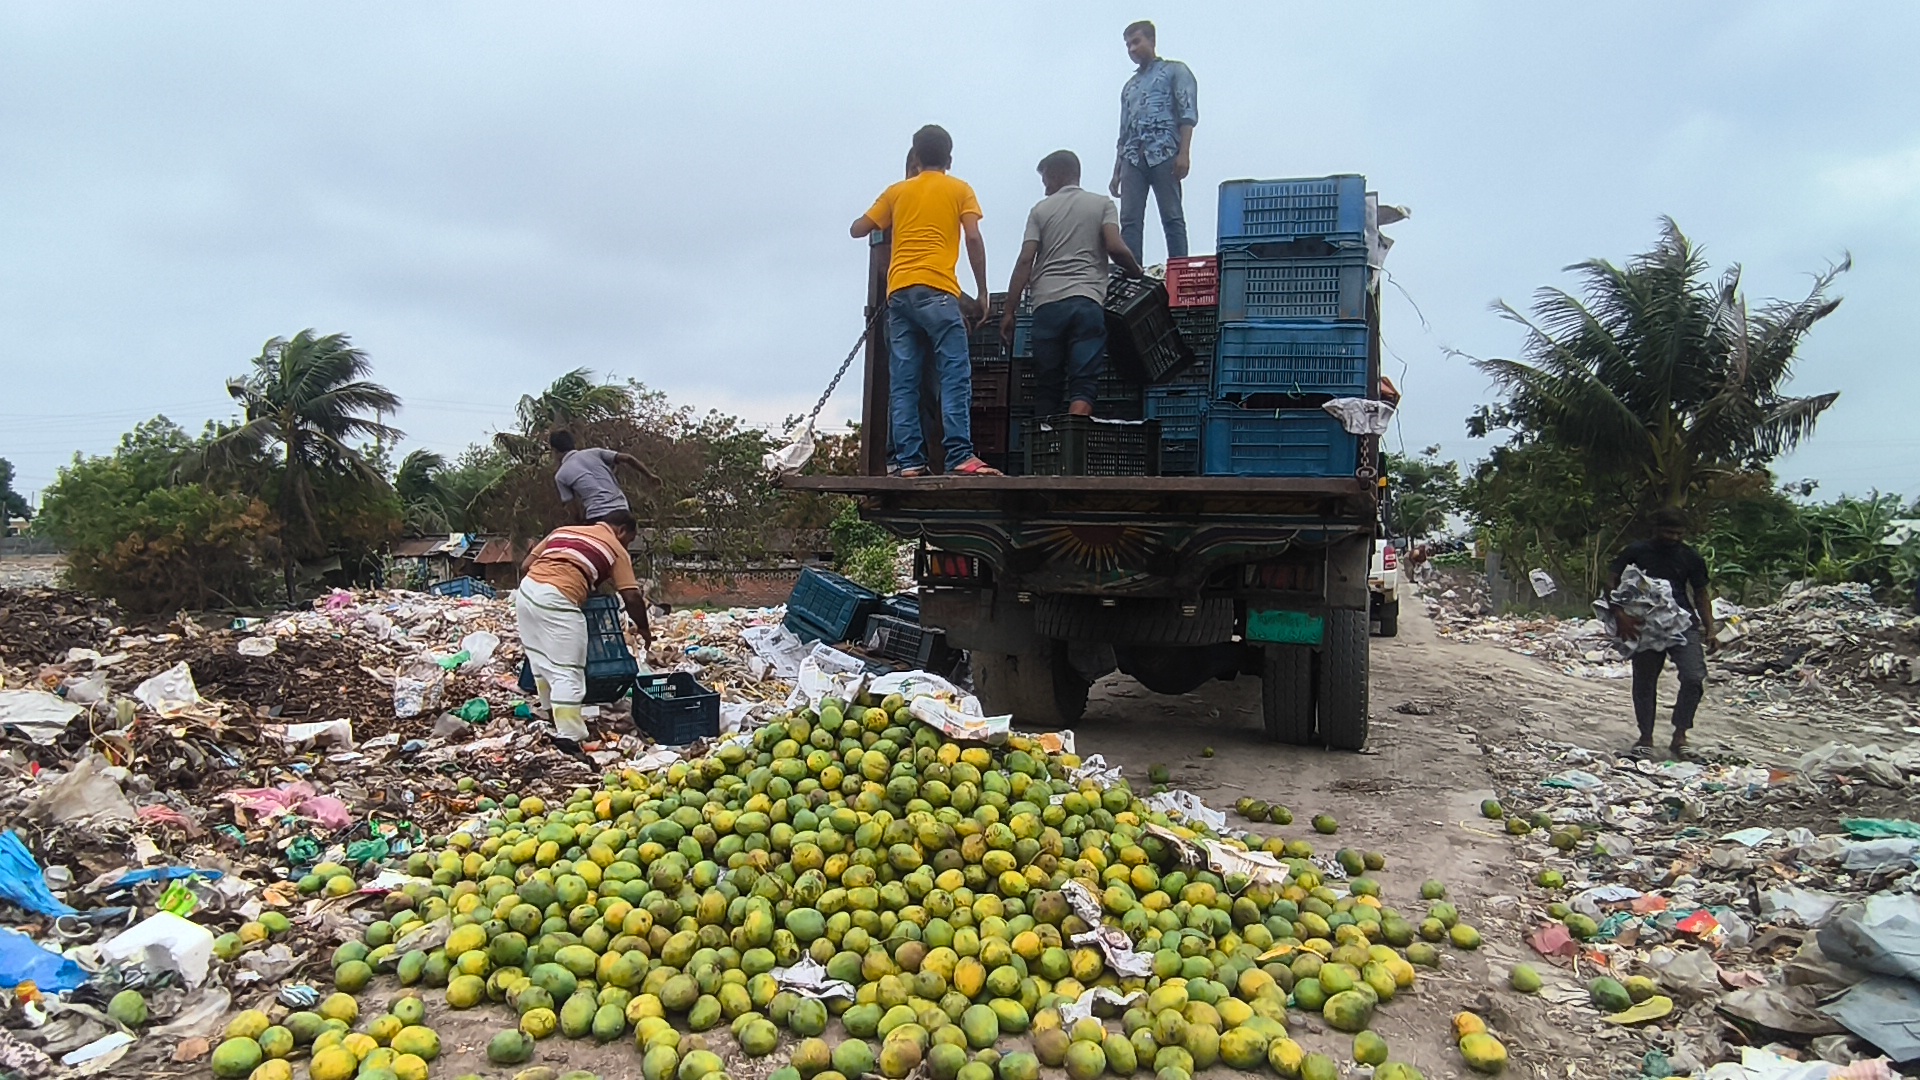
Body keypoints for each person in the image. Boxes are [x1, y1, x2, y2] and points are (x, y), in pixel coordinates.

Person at [851, 125, 1000, 477]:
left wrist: (886, 216)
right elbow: (973, 239)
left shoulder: (896, 192)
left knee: (904, 381)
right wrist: (982, 292)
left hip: (899, 295)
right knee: (954, 374)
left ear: (916, 157)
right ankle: (960, 455)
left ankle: (909, 462)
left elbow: (858, 229)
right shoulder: (960, 189)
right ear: (949, 159)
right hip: (938, 291)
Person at [1001, 150, 1145, 417]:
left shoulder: (1040, 210)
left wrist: (1009, 311)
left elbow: (1025, 260)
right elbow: (1115, 247)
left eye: (1046, 180)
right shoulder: (1102, 204)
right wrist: (1136, 270)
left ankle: (1047, 439)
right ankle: (1073, 439)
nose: (1045, 188)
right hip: (1085, 302)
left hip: (1047, 307)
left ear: (1058, 174)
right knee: (1083, 385)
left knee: (1048, 386)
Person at [515, 510, 652, 745]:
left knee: (540, 660)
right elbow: (631, 596)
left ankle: (550, 716)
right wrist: (643, 628)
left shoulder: (562, 531)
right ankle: (570, 737)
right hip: (558, 599)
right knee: (567, 672)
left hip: (526, 593)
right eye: (629, 541)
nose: (627, 546)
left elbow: (527, 565)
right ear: (621, 531)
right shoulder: (615, 547)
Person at [1609, 507, 1716, 759]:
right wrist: (1619, 614)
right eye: (1668, 532)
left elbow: (1701, 594)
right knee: (1645, 681)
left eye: (1678, 533)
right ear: (1656, 529)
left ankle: (1680, 736)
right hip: (1645, 623)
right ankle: (1645, 738)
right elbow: (1611, 580)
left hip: (1682, 622)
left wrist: (1710, 628)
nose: (1673, 538)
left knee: (1693, 677)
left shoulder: (1690, 557)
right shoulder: (1636, 552)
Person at [1110, 20, 1198, 263]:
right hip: (1132, 157)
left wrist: (1184, 153)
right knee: (1129, 219)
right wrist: (1117, 171)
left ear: (1152, 40)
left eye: (1136, 42)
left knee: (1171, 214)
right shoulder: (1129, 87)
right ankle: (1132, 271)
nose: (1132, 49)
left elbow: (1187, 114)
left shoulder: (1175, 71)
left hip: (1164, 151)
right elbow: (1124, 130)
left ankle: (1179, 266)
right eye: (1128, 45)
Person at [550, 430, 658, 525]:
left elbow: (573, 509)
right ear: (573, 443)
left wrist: (581, 523)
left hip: (597, 516)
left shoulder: (561, 475)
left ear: (554, 450)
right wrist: (649, 475)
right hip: (622, 511)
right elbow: (628, 458)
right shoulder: (595, 452)